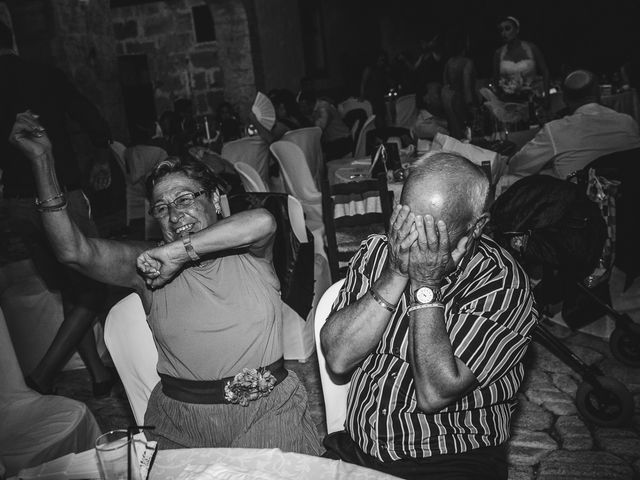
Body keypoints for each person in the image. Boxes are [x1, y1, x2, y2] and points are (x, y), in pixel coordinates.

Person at [10, 111, 322, 454]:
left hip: (268, 415)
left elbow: (263, 220)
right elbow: (73, 251)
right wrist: (42, 161)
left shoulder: (250, 253)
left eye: (185, 200)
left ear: (215, 200)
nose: (174, 215)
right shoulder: (148, 267)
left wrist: (178, 252)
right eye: (161, 208)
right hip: (181, 424)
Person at [321, 152, 539, 480]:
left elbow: (435, 393)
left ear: (475, 226)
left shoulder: (502, 284)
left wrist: (425, 284)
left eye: (431, 232)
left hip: (451, 455)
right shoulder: (377, 253)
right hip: (358, 448)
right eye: (406, 221)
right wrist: (395, 273)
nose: (413, 241)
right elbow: (338, 359)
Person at [0, 21, 115, 396]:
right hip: (58, 198)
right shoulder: (41, 73)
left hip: (16, 204)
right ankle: (44, 374)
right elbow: (87, 113)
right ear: (11, 39)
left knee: (70, 289)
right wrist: (101, 152)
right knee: (93, 288)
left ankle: (97, 376)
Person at [507, 69, 640, 180]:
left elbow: (516, 166)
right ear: (598, 93)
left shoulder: (555, 131)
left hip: (580, 206)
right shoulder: (628, 122)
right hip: (627, 202)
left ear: (564, 99)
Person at [492, 16, 549, 103]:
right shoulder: (498, 53)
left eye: (507, 29)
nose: (504, 33)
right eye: (501, 30)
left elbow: (545, 71)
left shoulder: (532, 48)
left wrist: (547, 96)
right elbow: (496, 79)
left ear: (517, 30)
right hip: (509, 101)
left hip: (533, 98)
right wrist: (500, 97)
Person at [441, 30, 477, 139]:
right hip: (462, 101)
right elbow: (467, 87)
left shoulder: (449, 62)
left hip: (449, 99)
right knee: (467, 134)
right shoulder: (467, 62)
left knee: (455, 134)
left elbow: (445, 82)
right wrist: (471, 106)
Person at [298, 91, 353, 160]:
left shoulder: (323, 108)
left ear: (311, 104)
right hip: (333, 143)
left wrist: (308, 117)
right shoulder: (316, 108)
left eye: (303, 107)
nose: (301, 110)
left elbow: (318, 129)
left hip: (342, 142)